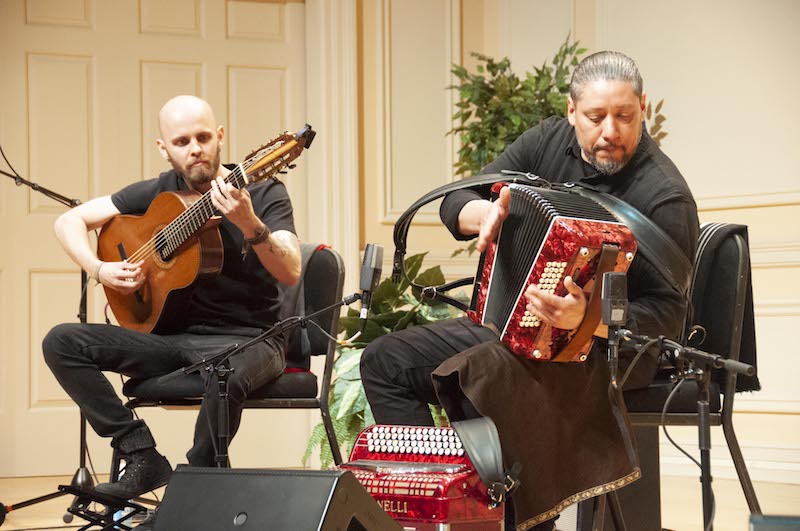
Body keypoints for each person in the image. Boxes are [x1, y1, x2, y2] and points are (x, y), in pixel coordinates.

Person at [360, 51, 699, 530]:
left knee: (483, 375)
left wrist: (588, 318)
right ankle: (444, 504)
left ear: (642, 107)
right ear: (571, 111)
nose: (610, 132)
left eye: (625, 116)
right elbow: (456, 198)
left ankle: (515, 517)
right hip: (514, 327)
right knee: (384, 361)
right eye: (596, 117)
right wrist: (483, 214)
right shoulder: (547, 141)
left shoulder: (664, 196)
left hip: (607, 350)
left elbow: (668, 315)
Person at [43, 95, 301, 503]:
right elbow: (69, 220)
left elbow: (291, 271)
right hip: (173, 341)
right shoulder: (158, 192)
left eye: (203, 137)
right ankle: (140, 455)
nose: (195, 149)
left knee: (224, 372)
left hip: (252, 339)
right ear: (164, 149)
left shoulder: (264, 191)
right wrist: (99, 268)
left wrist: (249, 223)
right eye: (182, 142)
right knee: (61, 342)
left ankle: (198, 483)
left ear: (220, 136)